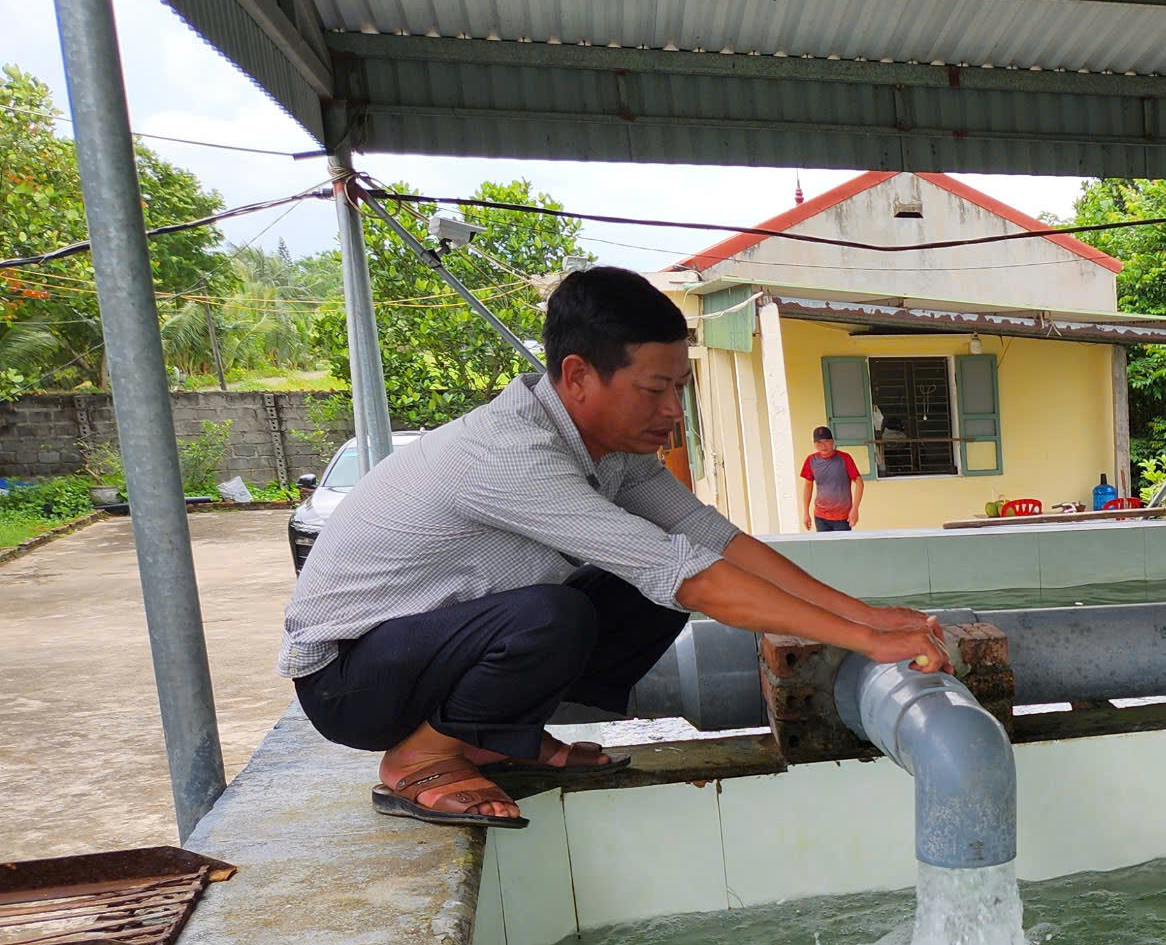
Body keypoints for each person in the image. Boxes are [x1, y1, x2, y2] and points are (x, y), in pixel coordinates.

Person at [280, 267, 947, 830]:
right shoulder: (514, 453)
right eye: (654, 390)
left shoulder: (612, 452)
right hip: (349, 679)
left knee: (642, 598)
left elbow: (716, 541)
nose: (671, 413)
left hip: (426, 650)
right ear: (576, 377)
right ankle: (417, 758)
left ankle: (487, 741)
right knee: (557, 615)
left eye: (679, 390)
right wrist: (861, 642)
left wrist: (869, 621)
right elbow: (686, 576)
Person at [800, 424, 863, 532]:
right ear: (814, 444)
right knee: (824, 548)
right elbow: (808, 485)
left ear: (833, 441)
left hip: (842, 516)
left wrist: (855, 509)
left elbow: (859, 483)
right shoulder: (811, 460)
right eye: (819, 442)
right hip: (820, 516)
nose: (823, 446)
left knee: (842, 548)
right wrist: (806, 512)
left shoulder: (845, 458)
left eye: (826, 441)